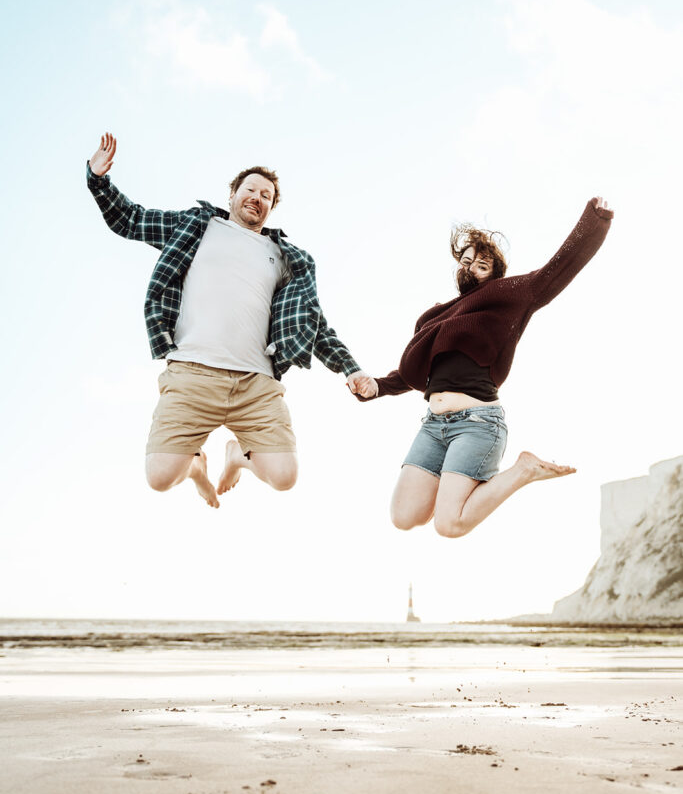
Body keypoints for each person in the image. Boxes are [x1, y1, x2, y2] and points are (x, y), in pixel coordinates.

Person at [87, 133, 369, 508]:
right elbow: (131, 220)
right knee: (159, 478)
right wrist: (98, 179)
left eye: (266, 196)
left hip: (255, 383)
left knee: (285, 477)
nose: (257, 198)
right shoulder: (195, 227)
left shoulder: (289, 259)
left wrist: (350, 369)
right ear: (233, 194)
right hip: (193, 374)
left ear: (271, 208)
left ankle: (238, 456)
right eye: (250, 190)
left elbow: (314, 323)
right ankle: (193, 466)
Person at [353, 197, 614, 538]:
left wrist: (595, 220)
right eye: (466, 262)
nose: (470, 269)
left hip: (478, 424)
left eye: (481, 265)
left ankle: (524, 470)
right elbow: (412, 374)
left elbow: (558, 269)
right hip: (434, 426)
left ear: (495, 274)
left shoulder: (508, 297)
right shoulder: (436, 316)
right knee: (404, 516)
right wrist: (377, 386)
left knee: (450, 524)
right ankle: (473, 481)